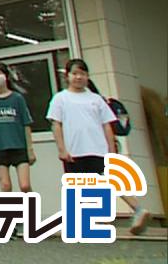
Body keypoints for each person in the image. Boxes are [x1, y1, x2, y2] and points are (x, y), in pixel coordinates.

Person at [47, 58, 151, 234]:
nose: (78, 77)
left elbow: (107, 125)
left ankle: (139, 210)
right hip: (74, 151)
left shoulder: (96, 100)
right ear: (67, 76)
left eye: (82, 74)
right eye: (75, 73)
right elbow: (56, 125)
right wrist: (62, 149)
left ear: (87, 76)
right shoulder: (60, 99)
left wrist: (111, 150)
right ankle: (83, 222)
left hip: (98, 149)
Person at [0, 62, 35, 193]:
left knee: (25, 185)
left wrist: (30, 149)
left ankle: (31, 209)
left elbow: (26, 124)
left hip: (19, 146)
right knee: (5, 186)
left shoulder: (17, 98)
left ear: (6, 76)